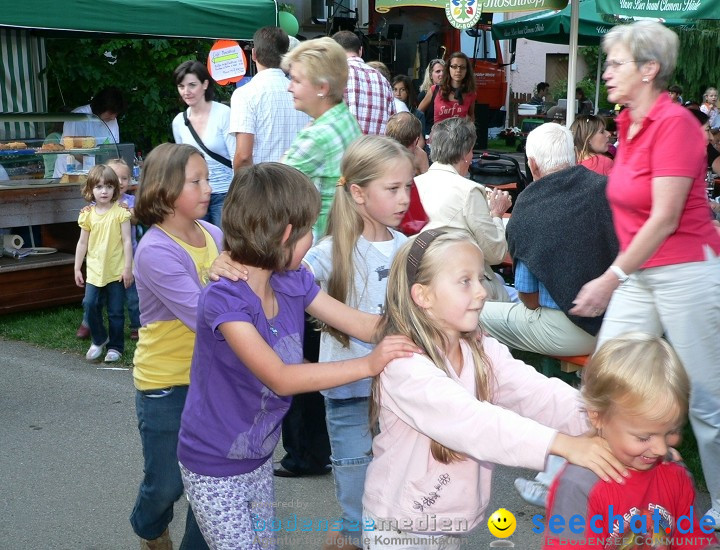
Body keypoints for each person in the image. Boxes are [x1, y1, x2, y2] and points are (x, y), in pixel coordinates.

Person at [176, 162, 418, 550]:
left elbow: (365, 325)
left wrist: (428, 327)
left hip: (256, 455)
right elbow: (281, 378)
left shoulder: (292, 281)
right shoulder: (224, 298)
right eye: (309, 230)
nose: (314, 239)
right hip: (213, 464)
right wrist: (369, 364)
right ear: (288, 233)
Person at [362, 230, 628, 549]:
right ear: (423, 296)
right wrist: (563, 445)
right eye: (465, 281)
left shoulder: (480, 349)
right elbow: (474, 423)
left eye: (481, 278)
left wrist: (612, 425)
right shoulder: (404, 366)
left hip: (445, 525)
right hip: (398, 530)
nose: (481, 292)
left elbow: (536, 392)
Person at [570, 20, 720, 526]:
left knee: (706, 403)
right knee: (602, 379)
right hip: (644, 274)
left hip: (687, 273)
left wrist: (610, 277)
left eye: (615, 63)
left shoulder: (676, 124)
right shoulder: (630, 124)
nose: (606, 72)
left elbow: (665, 218)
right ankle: (568, 474)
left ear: (649, 69)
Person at [302, 136, 414, 550]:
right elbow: (283, 275)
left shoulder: (408, 249)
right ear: (358, 193)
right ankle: (351, 536)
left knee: (394, 486)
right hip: (348, 391)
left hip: (401, 392)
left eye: (408, 186)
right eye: (393, 188)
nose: (404, 198)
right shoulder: (330, 251)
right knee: (354, 486)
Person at [543, 333, 719, 549]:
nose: (661, 448)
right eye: (644, 437)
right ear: (597, 417)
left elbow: (695, 540)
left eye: (671, 431)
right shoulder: (580, 485)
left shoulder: (674, 472)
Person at [129, 143, 217, 550]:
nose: (207, 188)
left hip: (213, 383)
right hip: (166, 384)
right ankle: (149, 526)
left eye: (207, 178)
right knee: (166, 485)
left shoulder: (214, 234)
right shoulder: (156, 250)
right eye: (195, 181)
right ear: (164, 191)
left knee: (211, 487)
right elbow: (206, 314)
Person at [480, 122, 618, 357]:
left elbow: (529, 299)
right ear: (575, 155)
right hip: (619, 323)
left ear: (532, 164)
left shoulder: (527, 205)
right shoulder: (608, 188)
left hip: (569, 331)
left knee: (473, 313)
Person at [414, 117, 512, 302]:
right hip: (462, 288)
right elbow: (495, 253)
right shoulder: (469, 191)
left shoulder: (414, 184)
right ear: (466, 154)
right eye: (471, 150)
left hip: (425, 279)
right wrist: (497, 215)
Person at [281, 36, 362, 240]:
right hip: (344, 239)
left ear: (322, 88)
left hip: (318, 248)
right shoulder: (344, 118)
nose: (289, 87)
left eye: (296, 80)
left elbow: (274, 195)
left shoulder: (316, 136)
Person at [73, 164, 132, 363]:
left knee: (116, 311)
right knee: (90, 304)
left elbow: (126, 241)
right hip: (94, 271)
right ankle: (99, 339)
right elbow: (82, 243)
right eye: (98, 187)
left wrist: (127, 268)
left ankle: (115, 347)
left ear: (115, 188)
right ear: (90, 190)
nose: (104, 191)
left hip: (116, 271)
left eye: (108, 186)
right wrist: (76, 267)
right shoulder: (87, 214)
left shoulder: (121, 213)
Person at [229, 26, 310, 170]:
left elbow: (243, 156)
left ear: (253, 54)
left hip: (263, 186)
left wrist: (241, 189)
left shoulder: (245, 94)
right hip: (298, 184)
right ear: (286, 55)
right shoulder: (303, 93)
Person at [172, 60, 235, 227]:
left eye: (192, 85)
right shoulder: (179, 122)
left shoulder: (223, 114)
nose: (186, 91)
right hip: (195, 196)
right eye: (181, 86)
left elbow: (237, 158)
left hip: (225, 193)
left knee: (225, 245)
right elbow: (183, 164)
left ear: (205, 84)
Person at [332, 31, 396, 135]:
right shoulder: (383, 80)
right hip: (378, 149)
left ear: (334, 52)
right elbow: (393, 124)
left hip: (347, 150)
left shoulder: (334, 76)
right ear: (361, 51)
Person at [54, 87, 127, 178]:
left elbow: (115, 149)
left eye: (116, 114)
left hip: (100, 175)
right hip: (69, 174)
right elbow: (73, 151)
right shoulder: (78, 117)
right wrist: (99, 165)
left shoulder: (113, 121)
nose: (113, 117)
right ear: (101, 107)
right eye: (111, 113)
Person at [108, 158, 141, 340]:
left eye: (124, 178)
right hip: (108, 258)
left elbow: (136, 219)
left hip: (130, 258)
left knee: (133, 296)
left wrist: (127, 211)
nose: (120, 182)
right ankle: (89, 321)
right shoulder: (101, 200)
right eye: (115, 177)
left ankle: (136, 325)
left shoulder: (131, 200)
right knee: (100, 294)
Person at [417, 52, 476, 124]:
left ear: (467, 70)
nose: (458, 70)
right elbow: (418, 114)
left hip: (461, 134)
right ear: (448, 69)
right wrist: (421, 133)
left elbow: (471, 116)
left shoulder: (471, 93)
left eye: (462, 67)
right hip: (438, 134)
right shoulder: (435, 89)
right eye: (454, 66)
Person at [417, 58, 445, 137]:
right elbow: (418, 116)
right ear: (431, 75)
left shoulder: (451, 93)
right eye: (438, 71)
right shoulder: (423, 94)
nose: (442, 74)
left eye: (444, 71)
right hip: (429, 135)